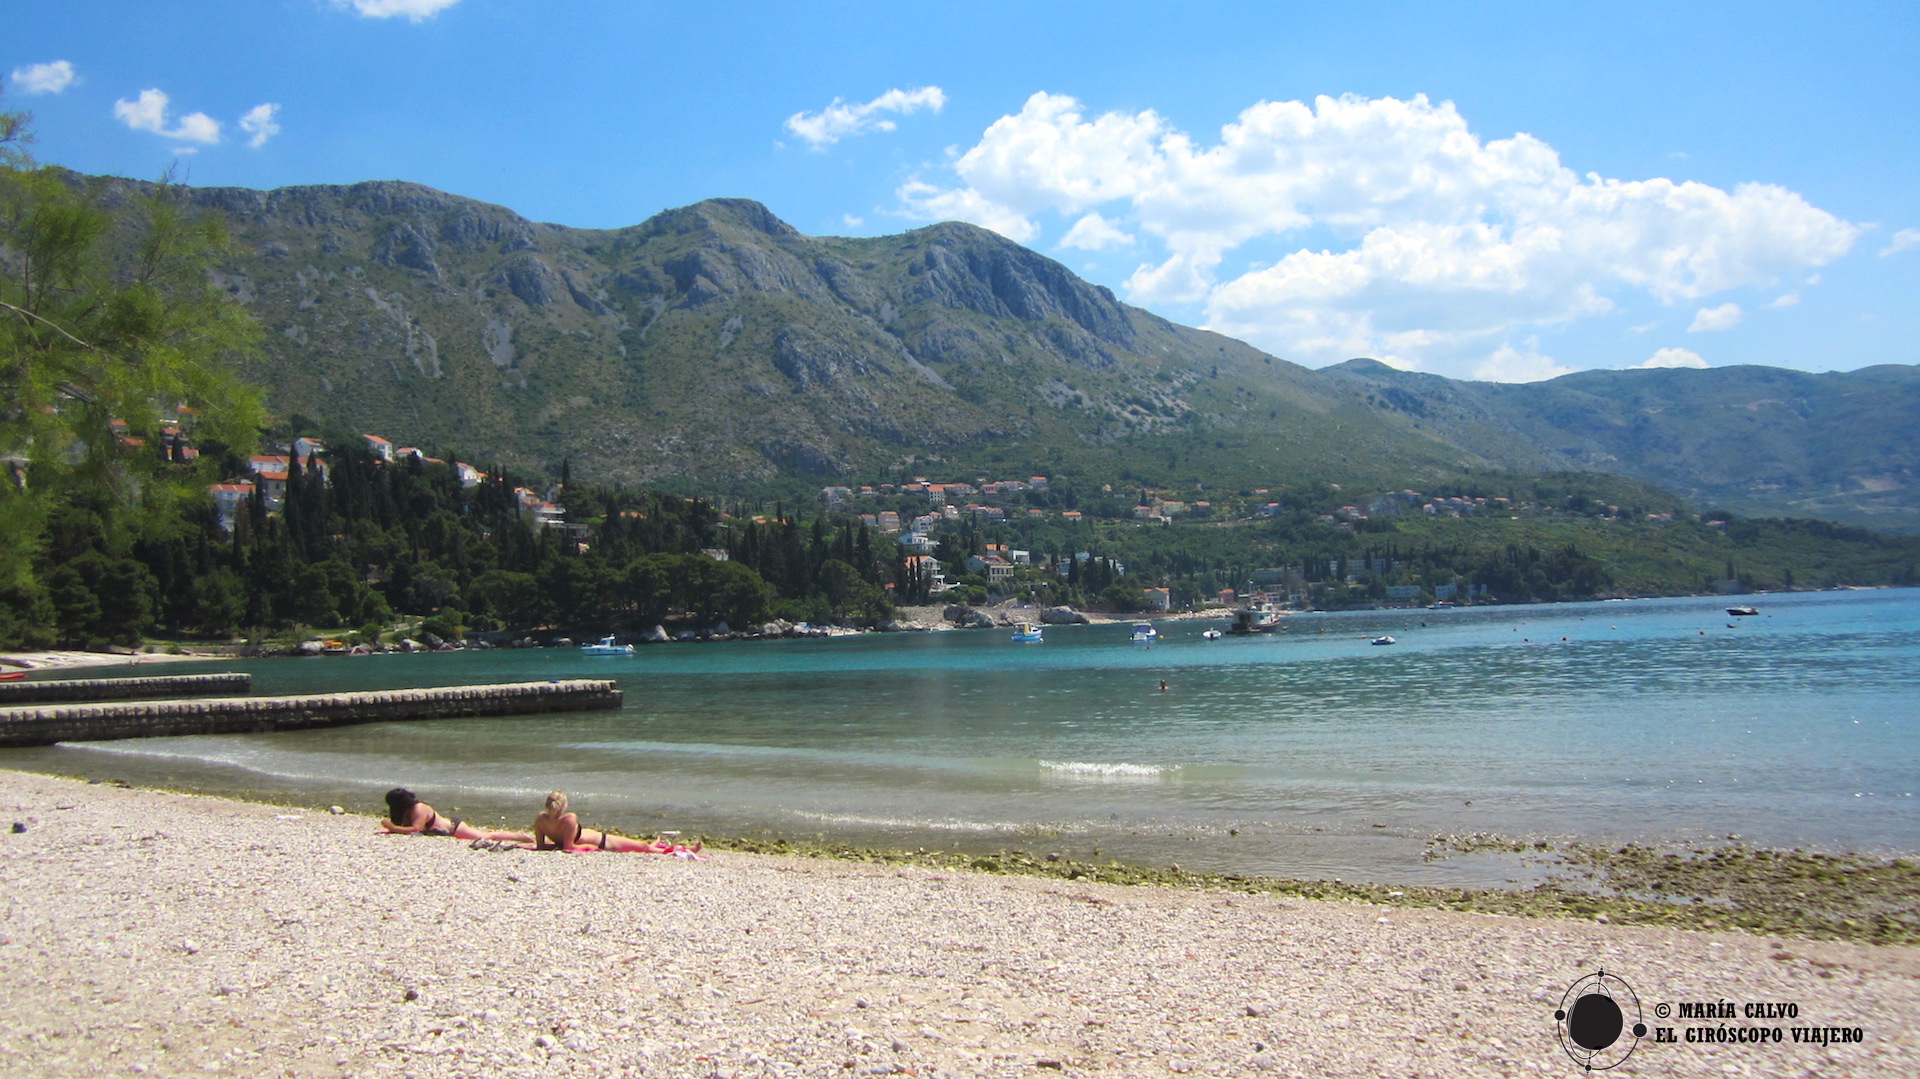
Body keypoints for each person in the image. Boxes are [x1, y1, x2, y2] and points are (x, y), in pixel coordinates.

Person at [529, 790, 702, 856]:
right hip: (603, 841)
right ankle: (683, 850)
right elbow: (569, 847)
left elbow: (540, 846)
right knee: (644, 847)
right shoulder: (569, 818)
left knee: (644, 846)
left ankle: (664, 846)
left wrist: (554, 847)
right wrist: (592, 849)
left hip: (601, 840)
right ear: (564, 805)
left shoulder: (541, 820)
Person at [379, 788, 532, 844]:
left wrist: (393, 828)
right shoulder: (408, 811)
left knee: (485, 837)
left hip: (453, 828)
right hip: (446, 829)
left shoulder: (419, 808)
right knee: (485, 835)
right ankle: (513, 835)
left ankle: (518, 836)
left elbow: (415, 829)